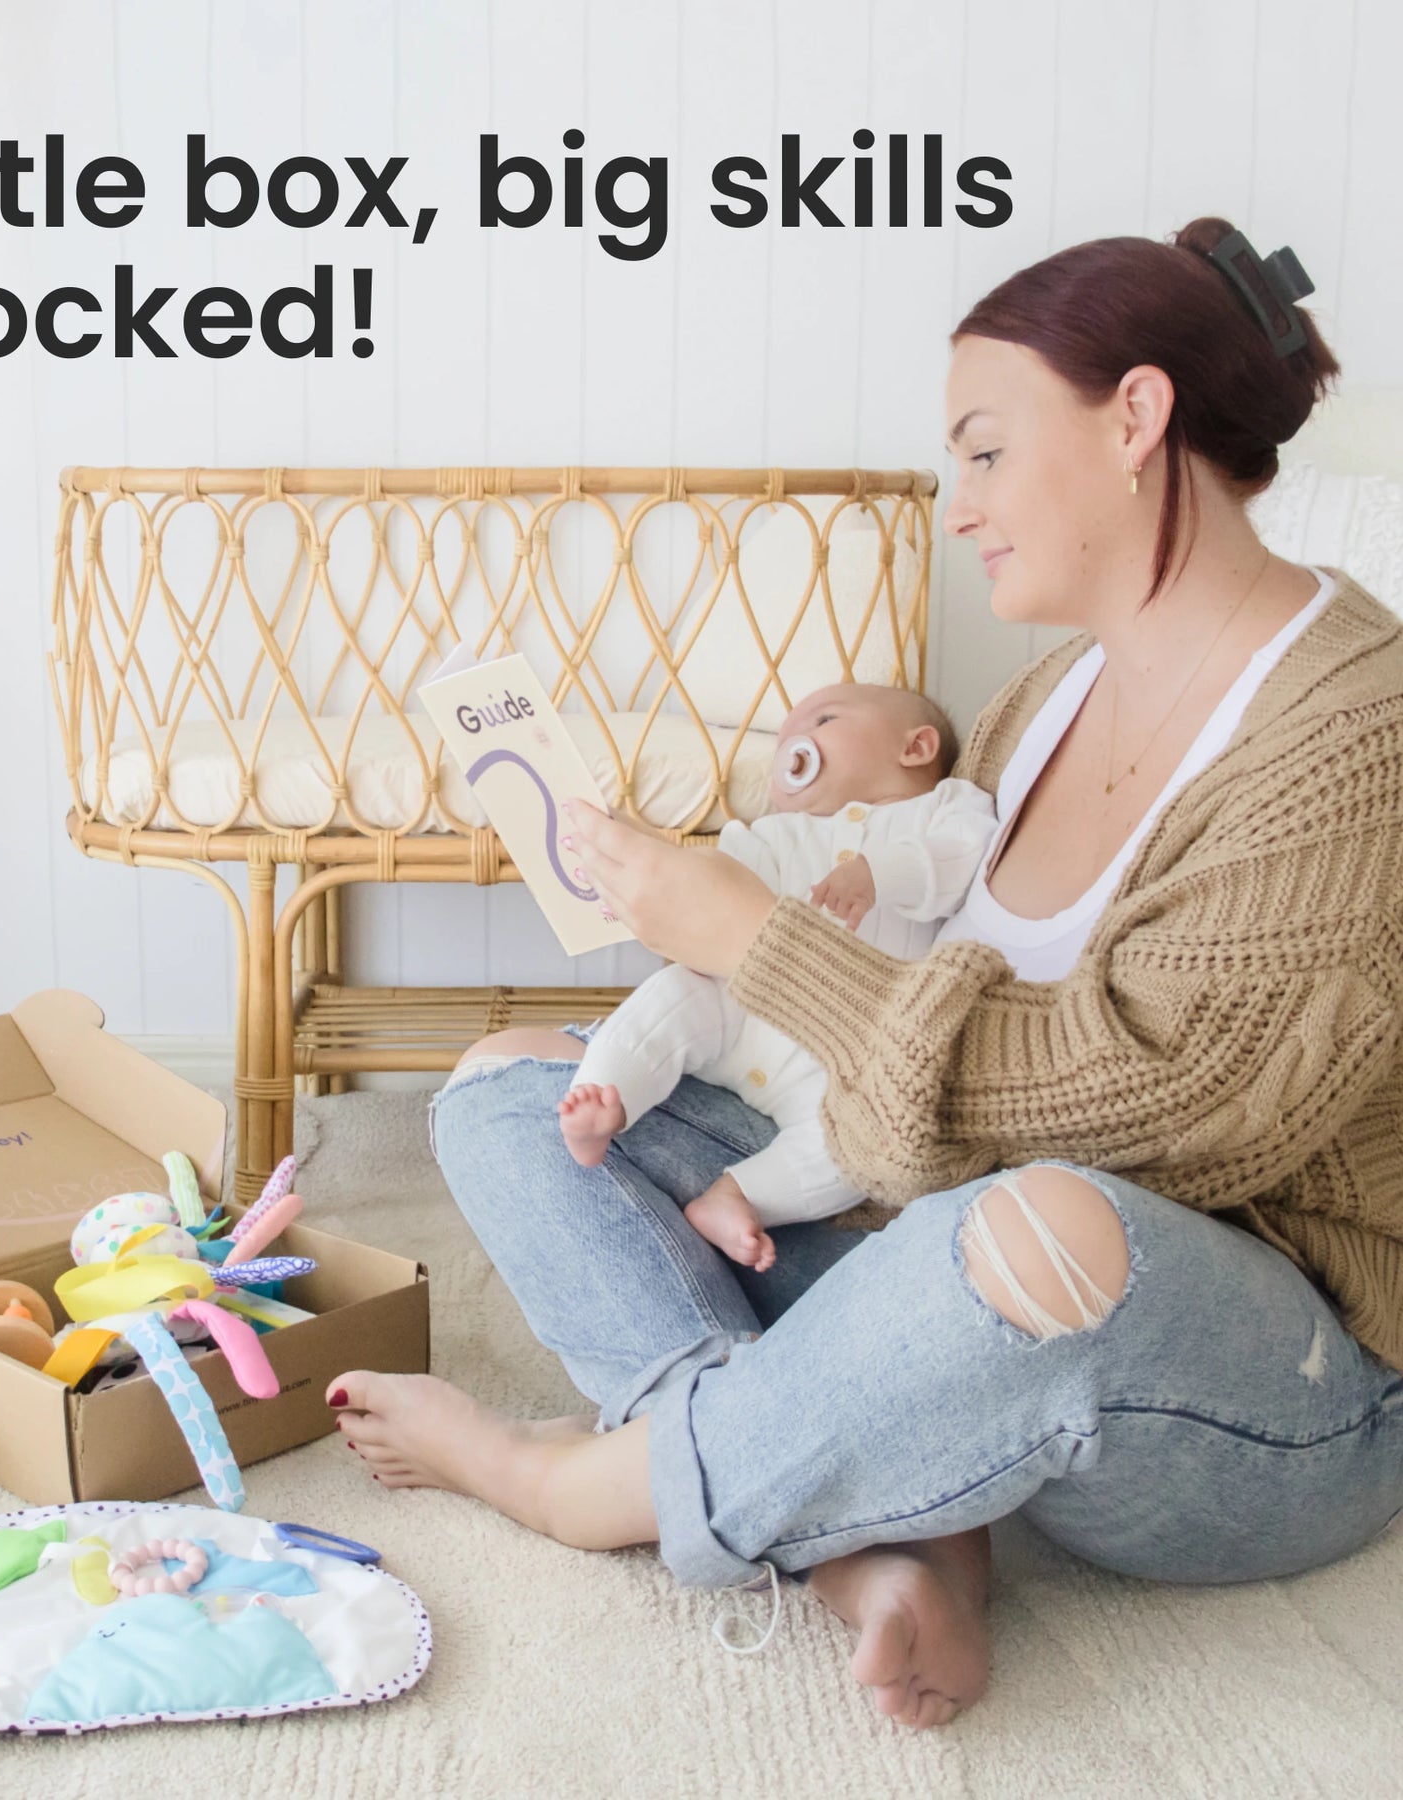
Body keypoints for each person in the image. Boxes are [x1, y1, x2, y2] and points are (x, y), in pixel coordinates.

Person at [326, 217, 1403, 1732]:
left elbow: (1166, 1116)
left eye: (981, 452)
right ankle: (884, 1516)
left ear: (1138, 417)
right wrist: (722, 935)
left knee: (1041, 1222)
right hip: (924, 1232)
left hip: (1253, 1370)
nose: (957, 507)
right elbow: (919, 996)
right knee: (519, 1086)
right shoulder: (1046, 698)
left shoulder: (1350, 729)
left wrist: (758, 943)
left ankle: (578, 1481)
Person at [557, 682, 996, 1270]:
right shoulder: (772, 833)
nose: (794, 742)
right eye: (785, 739)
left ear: (915, 748)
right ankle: (607, 1096)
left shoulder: (943, 809)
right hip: (740, 1016)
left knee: (856, 1149)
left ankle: (740, 1195)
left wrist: (880, 873)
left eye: (824, 719)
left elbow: (965, 855)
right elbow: (711, 888)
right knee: (674, 997)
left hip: (843, 1055)